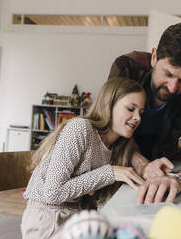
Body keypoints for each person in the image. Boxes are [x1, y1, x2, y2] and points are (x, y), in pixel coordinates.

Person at [108, 22, 181, 205]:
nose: (172, 87)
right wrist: (142, 165)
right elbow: (109, 128)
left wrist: (178, 179)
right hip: (117, 165)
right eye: (168, 74)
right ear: (154, 57)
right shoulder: (127, 68)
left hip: (161, 171)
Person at [21, 77, 146, 239]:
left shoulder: (119, 147)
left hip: (76, 214)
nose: (138, 117)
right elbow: (52, 193)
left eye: (141, 112)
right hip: (48, 217)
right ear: (108, 105)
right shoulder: (80, 128)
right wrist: (110, 173)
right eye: (131, 109)